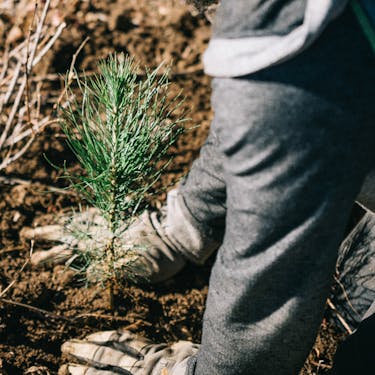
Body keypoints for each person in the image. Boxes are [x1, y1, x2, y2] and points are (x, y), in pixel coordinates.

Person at [23, 1, 375, 374]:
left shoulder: (300, 30)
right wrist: (185, 224)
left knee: (355, 342)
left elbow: (276, 264)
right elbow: (277, 119)